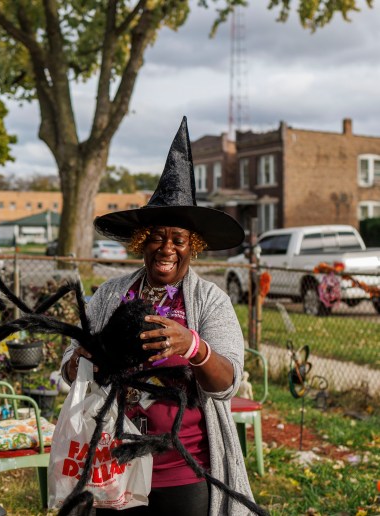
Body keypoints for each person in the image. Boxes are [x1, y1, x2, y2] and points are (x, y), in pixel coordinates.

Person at [61, 117, 255, 515]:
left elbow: (226, 384)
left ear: (193, 245)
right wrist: (84, 359)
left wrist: (194, 347)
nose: (166, 247)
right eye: (156, 236)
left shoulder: (210, 301)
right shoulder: (112, 294)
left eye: (178, 239)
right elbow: (67, 365)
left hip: (184, 467)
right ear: (141, 241)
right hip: (115, 464)